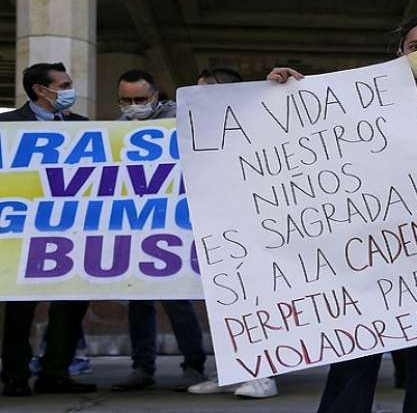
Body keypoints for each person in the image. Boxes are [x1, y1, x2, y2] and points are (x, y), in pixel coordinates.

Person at [268, 12, 417, 413]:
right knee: (358, 348)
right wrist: (287, 94)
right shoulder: (362, 98)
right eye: (415, 46)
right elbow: (311, 127)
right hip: (371, 244)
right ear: (399, 54)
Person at [0, 62, 96, 397]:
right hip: (21, 232)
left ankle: (56, 372)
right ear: (42, 90)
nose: (71, 90)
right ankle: (14, 375)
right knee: (20, 307)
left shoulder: (84, 128)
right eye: (65, 84)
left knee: (71, 303)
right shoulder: (6, 126)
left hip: (70, 232)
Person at [111, 69, 207, 392]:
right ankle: (142, 367)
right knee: (138, 299)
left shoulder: (179, 121)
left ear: (155, 97)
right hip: (136, 222)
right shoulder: (116, 131)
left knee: (176, 298)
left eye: (140, 99)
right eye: (126, 100)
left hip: (174, 222)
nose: (133, 105)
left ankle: (193, 365)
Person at [186, 67, 278, 399]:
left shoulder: (257, 124)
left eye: (204, 90)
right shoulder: (195, 131)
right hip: (216, 228)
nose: (196, 97)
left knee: (255, 300)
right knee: (224, 302)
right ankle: (230, 371)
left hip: (255, 229)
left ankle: (264, 373)